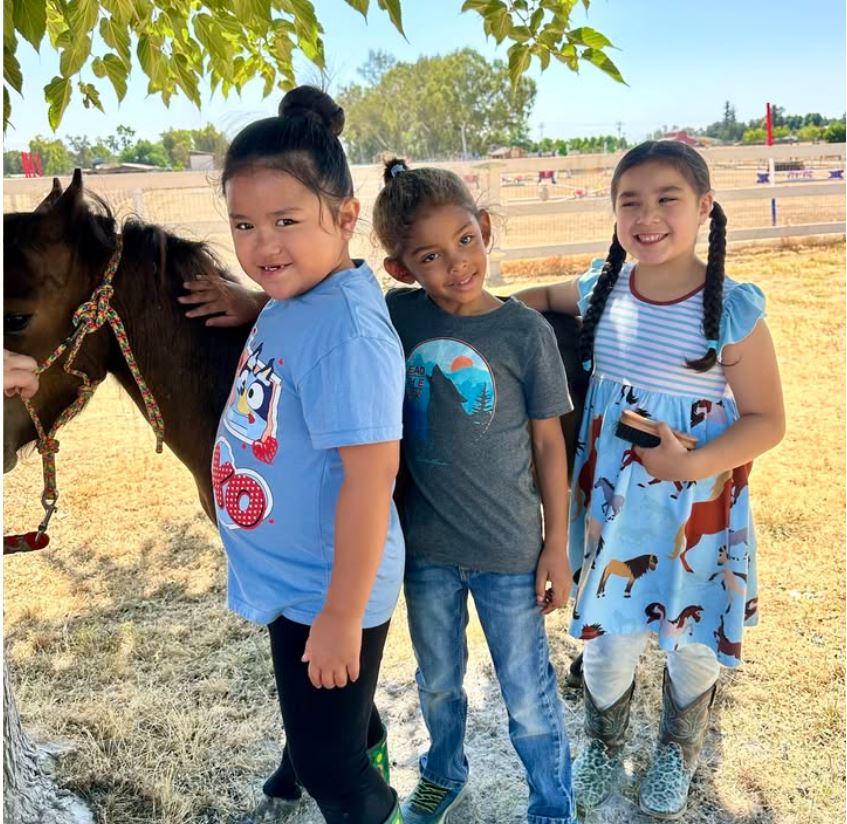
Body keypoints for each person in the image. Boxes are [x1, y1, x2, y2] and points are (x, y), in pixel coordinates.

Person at [515, 140, 785, 819]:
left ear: (703, 208)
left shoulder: (731, 311)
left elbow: (765, 419)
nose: (647, 215)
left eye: (667, 198)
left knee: (691, 642)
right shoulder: (598, 292)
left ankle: (676, 747)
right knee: (609, 638)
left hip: (694, 511)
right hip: (611, 512)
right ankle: (602, 741)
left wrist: (690, 464)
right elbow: (520, 306)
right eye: (628, 201)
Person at [205, 86, 405, 824]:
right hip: (293, 578)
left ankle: (366, 799)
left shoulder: (350, 335)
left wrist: (341, 616)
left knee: (331, 768)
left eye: (286, 221)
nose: (262, 245)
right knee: (323, 721)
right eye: (244, 225)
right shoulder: (298, 298)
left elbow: (369, 479)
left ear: (346, 216)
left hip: (327, 587)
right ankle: (353, 748)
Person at [372, 159, 577, 824]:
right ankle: (443, 770)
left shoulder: (523, 333)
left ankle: (551, 804)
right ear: (400, 269)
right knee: (436, 683)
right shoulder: (394, 316)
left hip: (509, 553)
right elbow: (315, 300)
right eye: (429, 256)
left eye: (465, 240)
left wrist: (555, 547)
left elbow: (549, 445)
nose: (455, 265)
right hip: (425, 551)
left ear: (484, 228)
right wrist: (245, 303)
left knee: (526, 694)